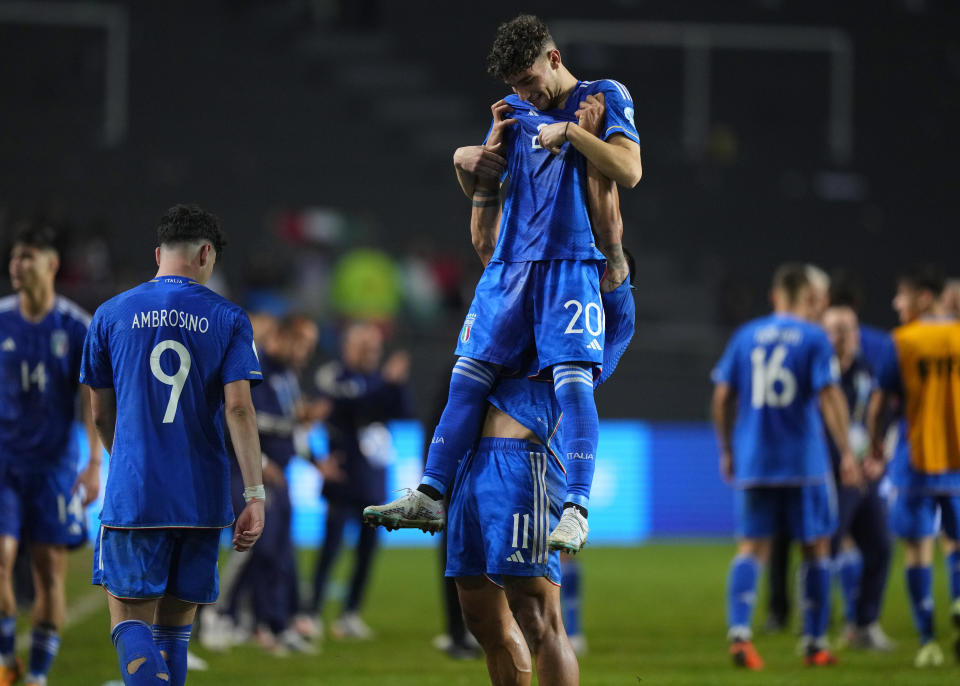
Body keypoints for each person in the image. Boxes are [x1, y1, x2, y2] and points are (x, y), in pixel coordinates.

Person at [365, 14, 640, 555]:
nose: (524, 95)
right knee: (466, 378)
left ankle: (577, 509)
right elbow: (484, 187)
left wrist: (575, 132)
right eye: (513, 86)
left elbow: (628, 172)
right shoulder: (515, 111)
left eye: (529, 82)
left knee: (571, 383)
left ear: (553, 60)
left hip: (570, 263)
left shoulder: (602, 96)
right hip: (509, 268)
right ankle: (430, 493)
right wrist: (466, 162)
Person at [79, 204, 266, 686]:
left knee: (130, 625)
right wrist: (254, 494)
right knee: (174, 636)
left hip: (136, 496)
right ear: (206, 254)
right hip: (201, 500)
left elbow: (100, 413)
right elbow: (239, 410)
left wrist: (123, 461)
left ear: (159, 253)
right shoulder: (229, 317)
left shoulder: (109, 314)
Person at [448, 255, 635, 686]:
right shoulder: (531, 301)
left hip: (524, 464)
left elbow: (614, 256)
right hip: (472, 465)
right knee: (482, 619)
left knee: (537, 617)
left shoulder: (604, 314)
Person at [711, 263, 859, 669]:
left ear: (775, 295)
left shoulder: (746, 337)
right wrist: (847, 452)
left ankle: (740, 634)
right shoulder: (814, 338)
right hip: (804, 464)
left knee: (752, 549)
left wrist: (726, 449)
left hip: (756, 461)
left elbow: (722, 397)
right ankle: (814, 643)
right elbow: (830, 397)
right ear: (808, 298)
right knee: (816, 548)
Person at [0, 223, 102, 686]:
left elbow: (92, 399)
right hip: (4, 465)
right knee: (0, 558)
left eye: (26, 257)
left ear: (51, 264)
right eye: (14, 258)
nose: (16, 266)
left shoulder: (76, 326)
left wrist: (94, 463)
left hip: (55, 469)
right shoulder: (1, 318)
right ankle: (6, 660)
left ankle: (37, 675)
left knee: (49, 571)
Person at [867, 264, 960, 668]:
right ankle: (958, 603)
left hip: (916, 461)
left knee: (918, 551)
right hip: (958, 463)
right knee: (956, 544)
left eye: (902, 296)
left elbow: (877, 406)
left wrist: (873, 446)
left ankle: (928, 642)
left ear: (924, 297)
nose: (896, 304)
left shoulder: (903, 340)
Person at [310, 322, 414, 639]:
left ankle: (350, 613)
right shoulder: (335, 376)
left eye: (374, 348)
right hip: (343, 479)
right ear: (348, 347)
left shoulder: (377, 381)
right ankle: (310, 611)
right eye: (364, 347)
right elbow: (350, 405)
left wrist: (396, 386)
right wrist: (387, 383)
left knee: (367, 553)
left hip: (373, 480)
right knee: (331, 550)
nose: (371, 353)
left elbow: (404, 411)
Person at [821, 304, 894, 651]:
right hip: (829, 475)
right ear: (825, 333)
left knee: (879, 547)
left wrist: (878, 457)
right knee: (823, 550)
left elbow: (885, 415)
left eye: (849, 329)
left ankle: (864, 625)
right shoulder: (819, 369)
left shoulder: (867, 369)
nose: (844, 336)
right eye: (836, 329)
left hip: (864, 475)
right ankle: (815, 632)